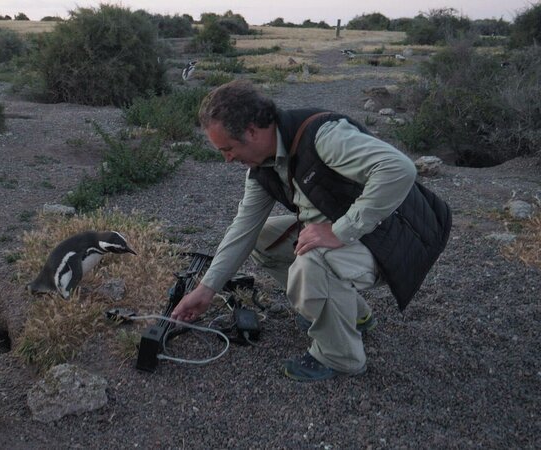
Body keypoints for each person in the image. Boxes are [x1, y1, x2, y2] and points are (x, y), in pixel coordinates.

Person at [170, 80, 451, 382]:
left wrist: (340, 231)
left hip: (401, 238)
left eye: (228, 149)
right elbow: (243, 230)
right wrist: (206, 289)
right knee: (265, 238)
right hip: (361, 235)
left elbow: (399, 169)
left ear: (251, 131)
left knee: (313, 260)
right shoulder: (264, 167)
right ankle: (354, 316)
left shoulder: (324, 136)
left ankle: (341, 357)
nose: (227, 159)